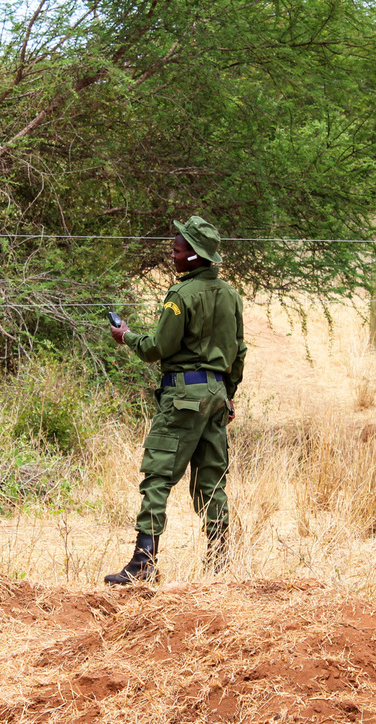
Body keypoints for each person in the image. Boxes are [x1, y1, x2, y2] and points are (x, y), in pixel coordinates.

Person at [105, 215, 247, 584]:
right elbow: (240, 351)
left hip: (183, 396)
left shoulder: (181, 296)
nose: (173, 253)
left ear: (195, 257)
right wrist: (227, 395)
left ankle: (142, 563)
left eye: (178, 249)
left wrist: (127, 337)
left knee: (158, 474)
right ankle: (220, 564)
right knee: (212, 480)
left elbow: (158, 348)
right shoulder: (231, 295)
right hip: (216, 395)